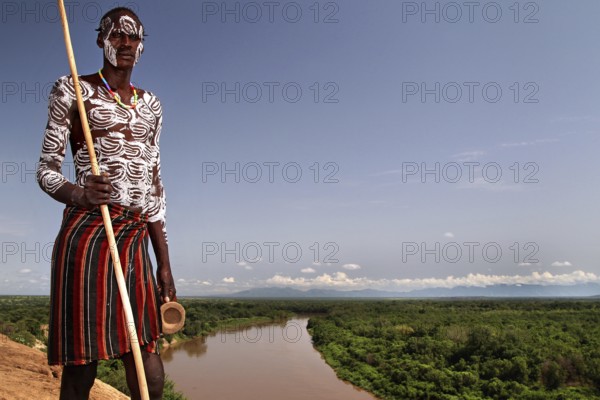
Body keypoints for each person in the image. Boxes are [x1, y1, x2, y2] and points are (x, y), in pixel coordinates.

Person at [36, 7, 176, 400]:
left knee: (145, 349)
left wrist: (164, 264)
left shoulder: (152, 105)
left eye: (134, 37)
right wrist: (79, 194)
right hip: (88, 235)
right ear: (102, 40)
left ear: (143, 45)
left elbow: (155, 188)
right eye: (117, 35)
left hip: (135, 237)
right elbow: (45, 171)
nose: (126, 43)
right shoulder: (72, 90)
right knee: (83, 359)